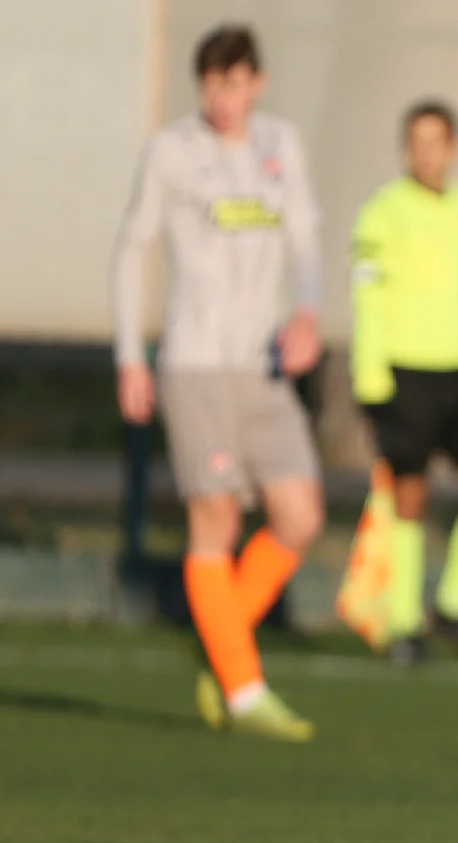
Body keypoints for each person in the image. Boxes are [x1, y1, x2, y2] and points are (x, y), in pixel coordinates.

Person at [112, 24, 324, 742]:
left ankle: (222, 644)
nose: (224, 98)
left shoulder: (280, 146)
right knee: (218, 521)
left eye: (235, 84)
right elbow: (133, 246)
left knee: (299, 516)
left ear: (257, 84)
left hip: (262, 366)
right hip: (196, 363)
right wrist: (129, 356)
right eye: (212, 84)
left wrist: (307, 313)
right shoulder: (173, 151)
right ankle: (243, 690)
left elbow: (306, 241)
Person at [350, 100, 458, 665]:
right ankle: (404, 623)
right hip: (406, 371)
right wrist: (370, 377)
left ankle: (453, 607)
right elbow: (368, 298)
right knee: (409, 497)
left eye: (436, 143)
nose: (425, 154)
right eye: (416, 143)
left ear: (454, 149)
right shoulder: (383, 212)